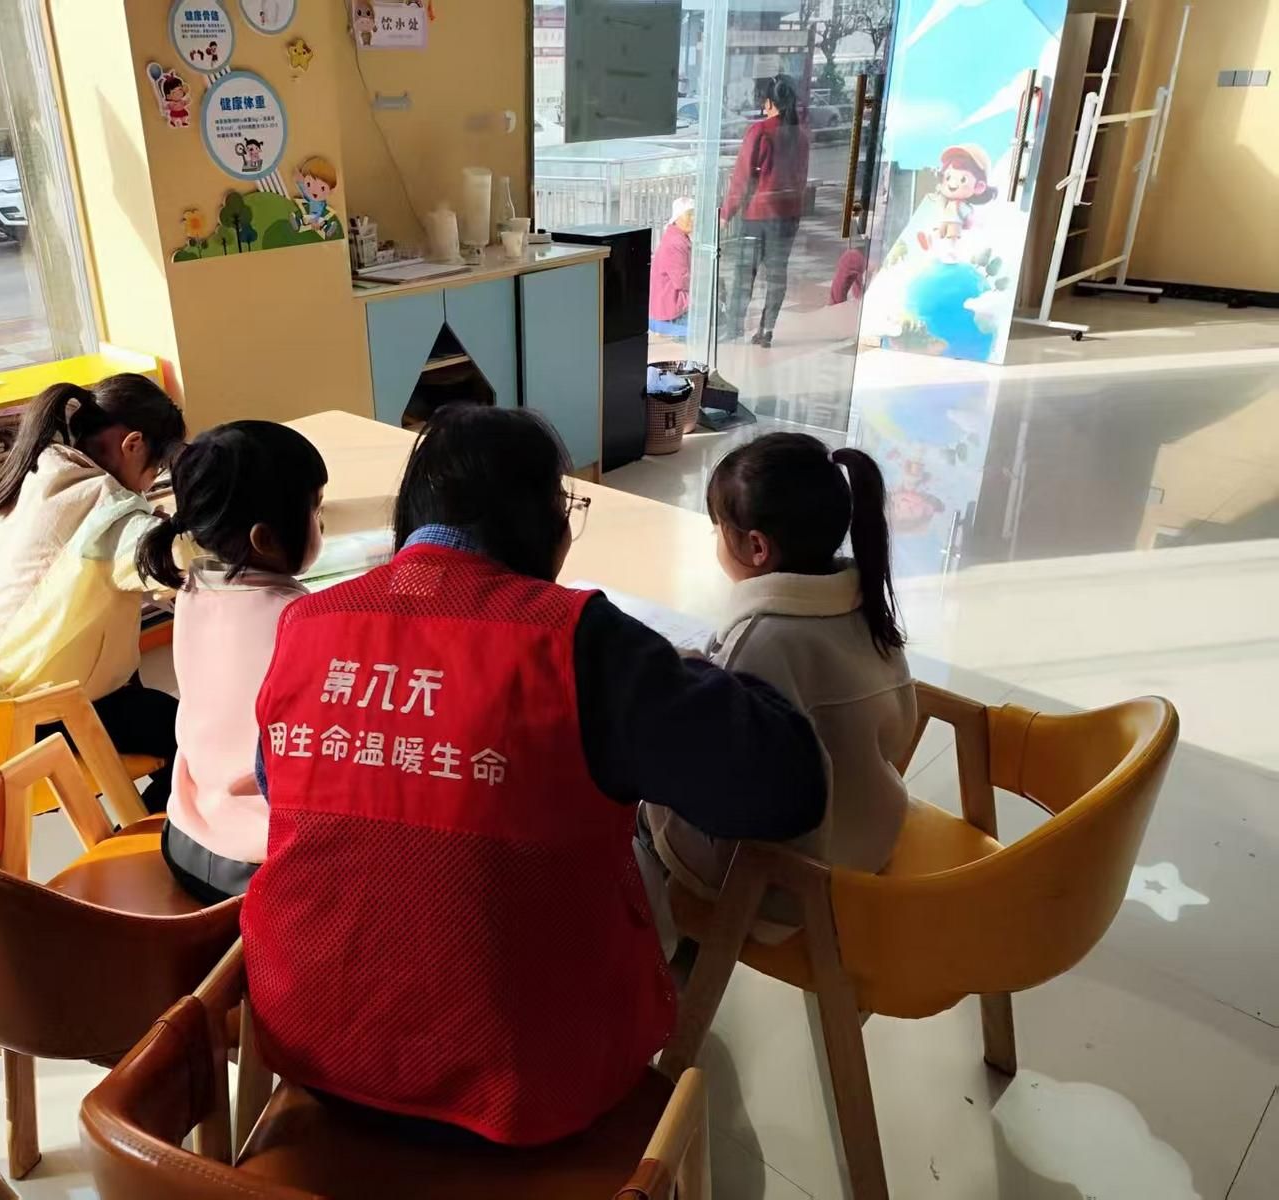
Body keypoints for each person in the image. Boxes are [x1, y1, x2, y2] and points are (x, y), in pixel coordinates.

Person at [241, 404, 826, 1147]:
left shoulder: (308, 623)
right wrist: (692, 673)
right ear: (542, 518)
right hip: (526, 1087)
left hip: (315, 1054)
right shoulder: (586, 646)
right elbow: (787, 786)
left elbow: (277, 783)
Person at [647, 433, 916, 919]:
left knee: (637, 793)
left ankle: (674, 939)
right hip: (871, 841)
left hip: (785, 882)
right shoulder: (868, 610)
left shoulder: (759, 641)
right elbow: (899, 733)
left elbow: (719, 780)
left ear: (756, 547)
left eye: (718, 529)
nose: (716, 540)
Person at [0, 374, 186, 811]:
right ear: (133, 444)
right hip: (48, 715)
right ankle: (151, 832)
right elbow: (174, 566)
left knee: (150, 707)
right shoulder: (110, 512)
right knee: (191, 739)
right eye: (155, 471)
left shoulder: (39, 472)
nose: (149, 484)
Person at [137, 422, 328, 905]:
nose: (321, 524)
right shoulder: (300, 620)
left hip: (183, 837)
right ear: (265, 539)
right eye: (316, 511)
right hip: (259, 867)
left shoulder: (194, 589)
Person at [722, 77, 810, 348]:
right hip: (788, 217)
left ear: (770, 102)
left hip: (758, 216)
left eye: (764, 101)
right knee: (776, 275)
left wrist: (726, 213)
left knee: (744, 275)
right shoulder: (800, 135)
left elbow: (743, 177)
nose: (762, 106)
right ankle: (765, 331)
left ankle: (734, 329)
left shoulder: (759, 132)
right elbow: (801, 178)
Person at [649, 196, 695, 335]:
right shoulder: (675, 243)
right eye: (689, 215)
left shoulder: (677, 237)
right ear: (677, 218)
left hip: (669, 308)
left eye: (694, 215)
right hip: (670, 314)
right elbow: (682, 280)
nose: (693, 219)